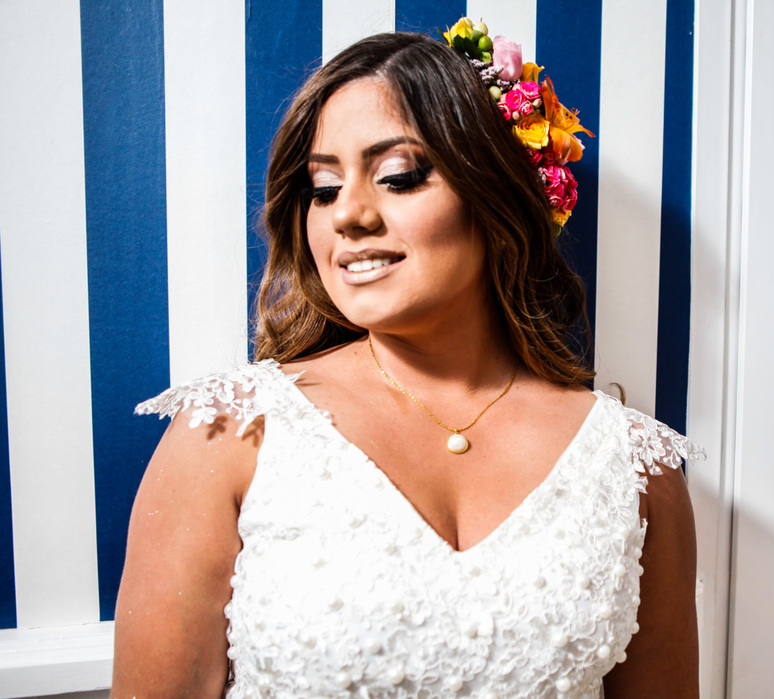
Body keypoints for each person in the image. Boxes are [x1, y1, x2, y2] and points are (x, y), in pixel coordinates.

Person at [111, 24, 702, 699]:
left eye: (398, 177)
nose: (348, 215)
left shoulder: (637, 468)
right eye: (324, 188)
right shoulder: (230, 433)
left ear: (495, 194)